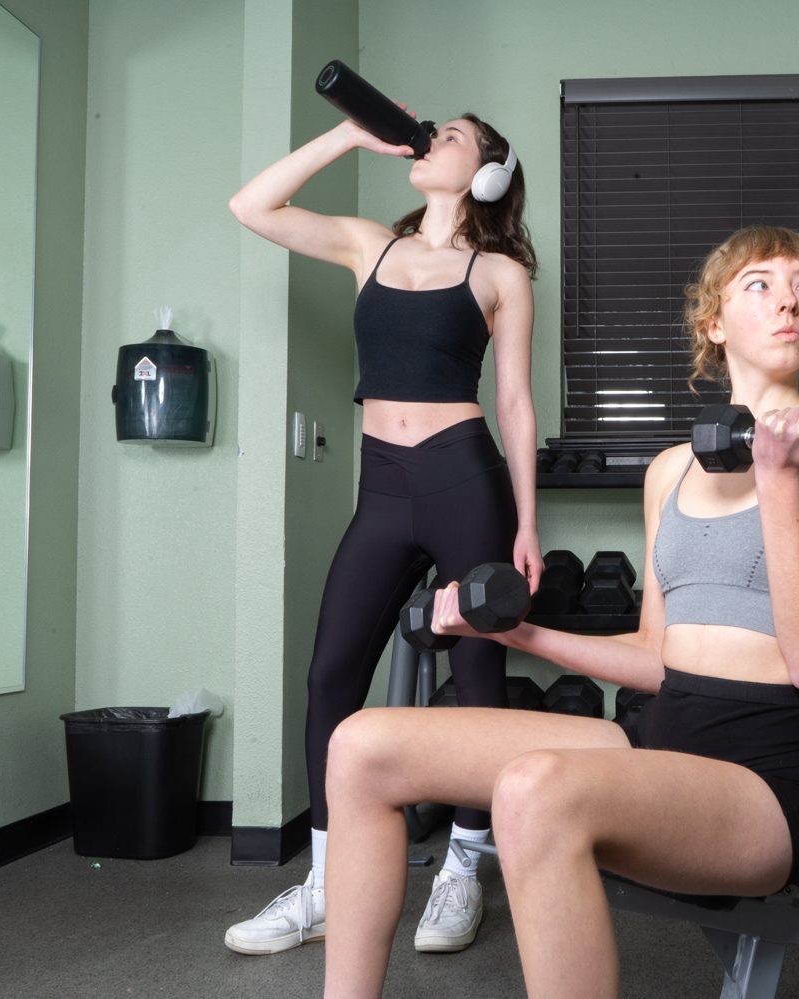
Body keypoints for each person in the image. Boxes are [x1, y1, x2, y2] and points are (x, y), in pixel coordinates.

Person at [320, 225, 799, 998]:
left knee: (536, 789)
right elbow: (659, 655)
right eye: (758, 285)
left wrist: (776, 483)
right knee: (361, 744)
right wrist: (518, 631)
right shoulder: (669, 471)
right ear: (714, 323)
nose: (788, 300)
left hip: (768, 777)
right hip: (655, 742)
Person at [223, 109, 542, 956]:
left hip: (463, 478)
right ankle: (330, 884)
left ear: (488, 174)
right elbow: (251, 207)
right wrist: (347, 138)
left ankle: (463, 870)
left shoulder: (500, 272)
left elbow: (514, 402)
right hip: (383, 485)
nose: (433, 139)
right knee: (331, 676)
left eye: (455, 136)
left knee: (478, 677)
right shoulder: (370, 244)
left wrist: (528, 526)